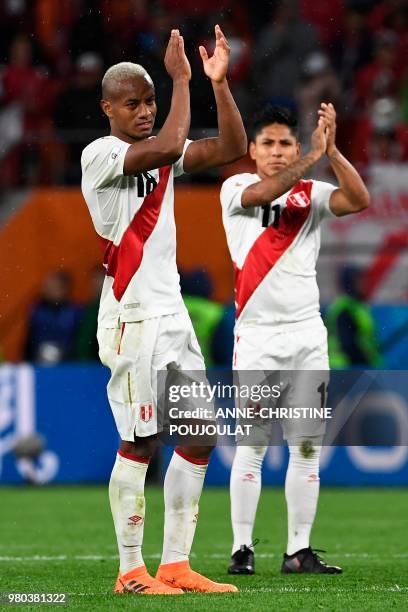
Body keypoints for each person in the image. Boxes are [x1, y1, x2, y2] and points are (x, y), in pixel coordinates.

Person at [81, 26, 247, 595]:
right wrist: (180, 79)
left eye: (151, 101)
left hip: (171, 315)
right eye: (134, 103)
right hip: (132, 317)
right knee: (141, 443)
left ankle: (175, 564)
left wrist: (217, 84)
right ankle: (130, 572)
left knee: (200, 435)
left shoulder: (159, 158)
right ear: (108, 108)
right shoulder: (101, 155)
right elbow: (172, 146)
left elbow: (229, 147)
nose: (146, 111)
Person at [220, 104, 370, 574]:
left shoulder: (314, 193)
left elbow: (359, 199)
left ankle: (298, 551)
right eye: (269, 143)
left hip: (307, 336)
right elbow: (270, 190)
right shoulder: (237, 187)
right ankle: (242, 548)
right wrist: (312, 155)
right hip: (258, 338)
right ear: (252, 150)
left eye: (287, 143)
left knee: (306, 447)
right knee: (253, 445)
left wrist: (334, 150)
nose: (279, 152)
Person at [325, 266, 382, 369]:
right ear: (349, 283)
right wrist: (367, 362)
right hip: (346, 368)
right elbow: (348, 345)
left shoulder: (358, 307)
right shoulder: (345, 309)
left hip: (355, 368)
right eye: (358, 281)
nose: (363, 285)